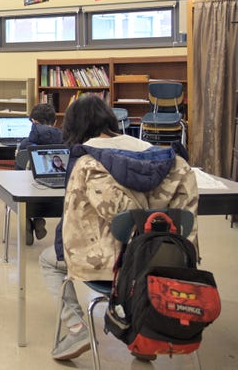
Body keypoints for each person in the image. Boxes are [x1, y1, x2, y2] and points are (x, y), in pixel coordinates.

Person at [42, 95, 198, 361]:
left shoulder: (88, 163)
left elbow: (89, 224)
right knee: (144, 261)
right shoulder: (174, 162)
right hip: (170, 263)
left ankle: (77, 327)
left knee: (48, 260)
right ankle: (144, 330)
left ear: (74, 128)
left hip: (114, 267)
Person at [16, 102, 63, 242]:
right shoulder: (66, 142)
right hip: (59, 201)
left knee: (27, 181)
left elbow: (18, 176)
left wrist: (18, 157)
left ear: (33, 122)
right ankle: (37, 219)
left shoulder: (26, 145)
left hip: (28, 200)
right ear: (55, 122)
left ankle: (28, 219)